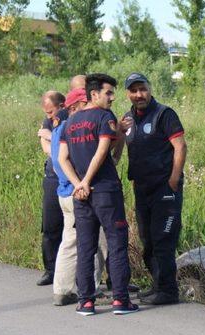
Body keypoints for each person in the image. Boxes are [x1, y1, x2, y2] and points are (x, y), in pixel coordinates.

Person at [58, 73, 138, 316]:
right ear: (94, 94)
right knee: (116, 242)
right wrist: (86, 181)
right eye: (108, 93)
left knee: (86, 246)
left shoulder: (69, 123)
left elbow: (62, 158)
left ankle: (86, 302)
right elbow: (103, 153)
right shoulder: (104, 117)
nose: (112, 98)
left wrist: (78, 185)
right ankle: (120, 300)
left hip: (81, 195)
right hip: (104, 191)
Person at [117, 73, 187, 305]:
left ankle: (168, 291)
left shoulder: (164, 114)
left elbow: (180, 146)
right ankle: (158, 285)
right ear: (128, 93)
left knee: (163, 239)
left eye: (142, 89)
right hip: (142, 189)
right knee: (148, 241)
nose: (139, 95)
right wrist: (118, 132)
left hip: (165, 188)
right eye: (134, 90)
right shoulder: (127, 119)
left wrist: (174, 179)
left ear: (150, 89)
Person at [50, 88, 108, 306]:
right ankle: (89, 289)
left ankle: (62, 289)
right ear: (74, 107)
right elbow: (70, 161)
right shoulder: (73, 129)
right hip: (77, 193)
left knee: (70, 242)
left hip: (64, 192)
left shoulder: (60, 130)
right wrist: (80, 185)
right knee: (94, 242)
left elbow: (56, 161)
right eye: (85, 103)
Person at [36, 91, 68, 286]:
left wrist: (49, 136)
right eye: (46, 112)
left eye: (51, 111)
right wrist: (47, 137)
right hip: (52, 177)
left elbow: (52, 144)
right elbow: (46, 149)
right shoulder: (49, 120)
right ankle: (50, 269)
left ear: (62, 105)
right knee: (50, 226)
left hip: (68, 177)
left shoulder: (69, 118)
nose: (49, 116)